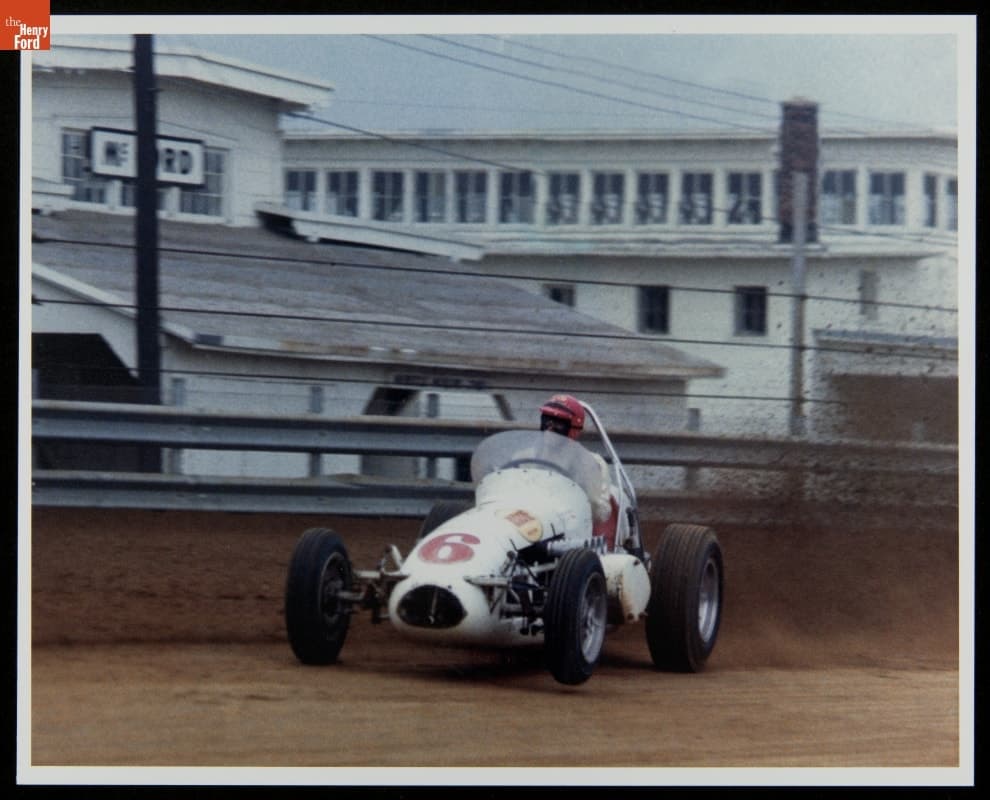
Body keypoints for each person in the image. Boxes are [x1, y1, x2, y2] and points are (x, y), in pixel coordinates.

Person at [539, 394, 614, 525]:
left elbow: (599, 513)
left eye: (558, 423)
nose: (549, 428)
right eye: (546, 420)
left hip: (571, 532)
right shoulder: (524, 456)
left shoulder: (592, 463)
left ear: (574, 429)